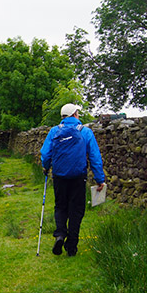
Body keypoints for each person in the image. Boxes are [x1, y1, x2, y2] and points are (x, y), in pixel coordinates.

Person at [40, 103, 105, 256]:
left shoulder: (54, 131)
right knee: (76, 210)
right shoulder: (85, 132)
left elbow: (45, 153)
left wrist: (46, 167)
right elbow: (95, 157)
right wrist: (99, 179)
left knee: (61, 206)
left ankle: (60, 234)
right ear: (75, 115)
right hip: (78, 177)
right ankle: (71, 247)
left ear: (63, 117)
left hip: (59, 176)